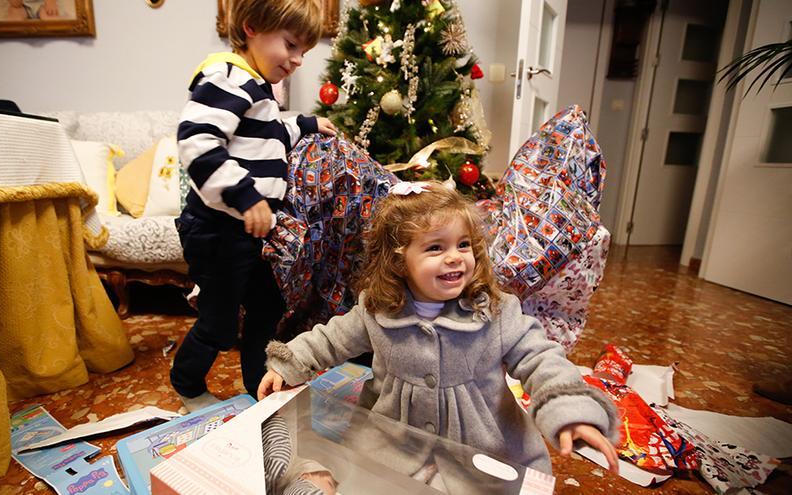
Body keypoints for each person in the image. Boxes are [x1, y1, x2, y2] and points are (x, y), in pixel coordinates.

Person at [259, 181, 620, 475]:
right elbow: (331, 339)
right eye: (435, 247)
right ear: (399, 261)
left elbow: (542, 360)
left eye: (463, 245)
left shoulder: (495, 311)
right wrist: (288, 362)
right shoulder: (377, 308)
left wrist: (570, 411)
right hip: (393, 443)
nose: (454, 257)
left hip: (484, 452)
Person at [171, 0, 337, 412]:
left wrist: (307, 124)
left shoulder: (256, 87)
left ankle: (255, 385)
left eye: (304, 52)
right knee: (220, 320)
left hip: (243, 230)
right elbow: (197, 142)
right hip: (215, 227)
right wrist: (246, 196)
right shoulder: (226, 78)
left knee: (268, 306)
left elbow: (269, 131)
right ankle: (187, 383)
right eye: (291, 45)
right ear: (251, 28)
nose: (297, 60)